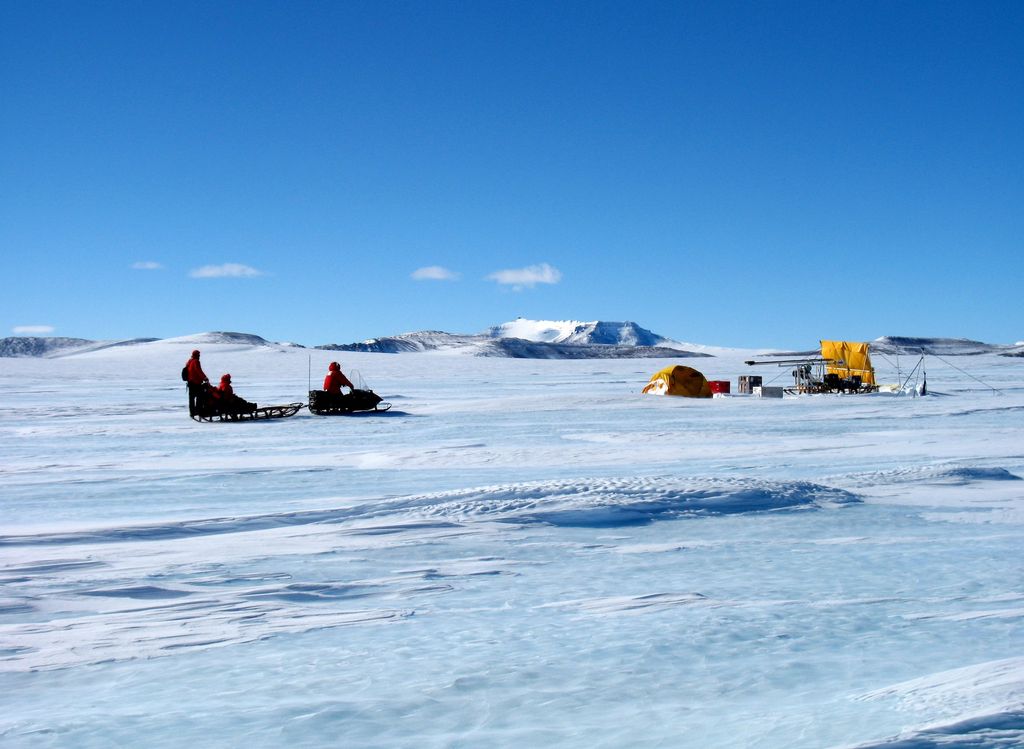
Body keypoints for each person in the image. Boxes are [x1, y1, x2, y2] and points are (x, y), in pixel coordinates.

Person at [184, 349, 209, 416]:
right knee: (200, 397)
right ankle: (199, 411)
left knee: (191, 398)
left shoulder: (189, 361)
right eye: (199, 355)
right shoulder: (196, 361)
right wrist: (205, 378)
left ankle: (192, 412)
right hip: (196, 382)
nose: (199, 356)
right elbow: (198, 371)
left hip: (190, 382)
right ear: (197, 355)